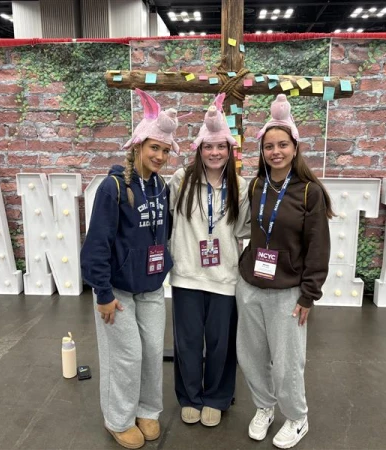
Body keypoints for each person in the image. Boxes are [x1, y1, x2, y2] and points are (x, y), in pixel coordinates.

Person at [81, 89, 179, 450]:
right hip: (117, 292)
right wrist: (102, 293)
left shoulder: (161, 187)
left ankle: (148, 410)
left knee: (152, 352)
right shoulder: (112, 187)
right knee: (125, 356)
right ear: (138, 145)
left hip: (151, 288)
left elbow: (162, 234)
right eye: (155, 147)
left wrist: (162, 268)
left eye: (166, 150)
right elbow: (96, 244)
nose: (160, 156)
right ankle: (118, 418)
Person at [236, 94, 333, 449]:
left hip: (288, 291)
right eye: (269, 147)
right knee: (250, 354)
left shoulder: (309, 192)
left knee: (288, 362)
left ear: (294, 148)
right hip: (249, 285)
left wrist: (309, 294)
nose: (275, 152)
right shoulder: (258, 186)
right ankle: (264, 407)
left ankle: (297, 417)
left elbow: (318, 247)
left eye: (282, 145)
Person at [169, 93, 251, 427]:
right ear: (199, 149)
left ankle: (216, 396)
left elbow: (244, 229)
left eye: (221, 147)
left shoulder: (241, 186)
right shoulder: (180, 180)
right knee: (187, 343)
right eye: (208, 147)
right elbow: (168, 221)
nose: (214, 153)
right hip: (187, 274)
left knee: (221, 344)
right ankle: (190, 396)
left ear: (230, 151)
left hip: (225, 278)